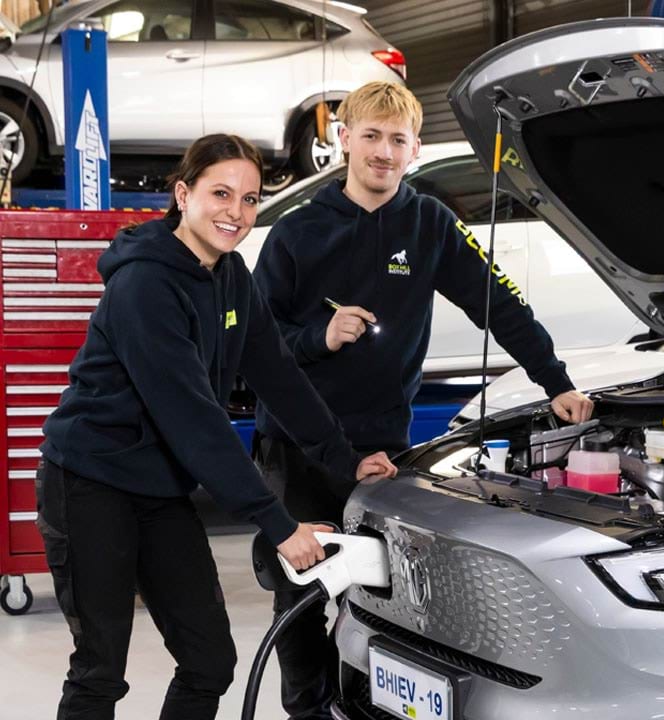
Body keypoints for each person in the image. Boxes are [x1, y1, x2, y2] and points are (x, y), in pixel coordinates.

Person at [252, 81, 594, 718]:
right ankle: (308, 711)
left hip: (384, 448)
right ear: (345, 138)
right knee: (298, 599)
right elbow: (254, 347)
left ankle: (361, 703)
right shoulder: (295, 234)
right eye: (372, 135)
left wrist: (558, 382)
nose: (384, 151)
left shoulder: (431, 224)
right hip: (296, 449)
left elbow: (502, 307)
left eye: (398, 139)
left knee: (388, 595)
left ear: (413, 150)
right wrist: (316, 338)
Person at [36, 133, 398, 720]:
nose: (236, 212)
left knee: (209, 661)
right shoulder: (143, 285)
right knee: (100, 671)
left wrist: (345, 457)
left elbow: (278, 375)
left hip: (158, 490)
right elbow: (193, 419)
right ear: (183, 194)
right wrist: (277, 523)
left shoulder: (231, 275)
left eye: (251, 199)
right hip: (89, 484)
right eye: (221, 193)